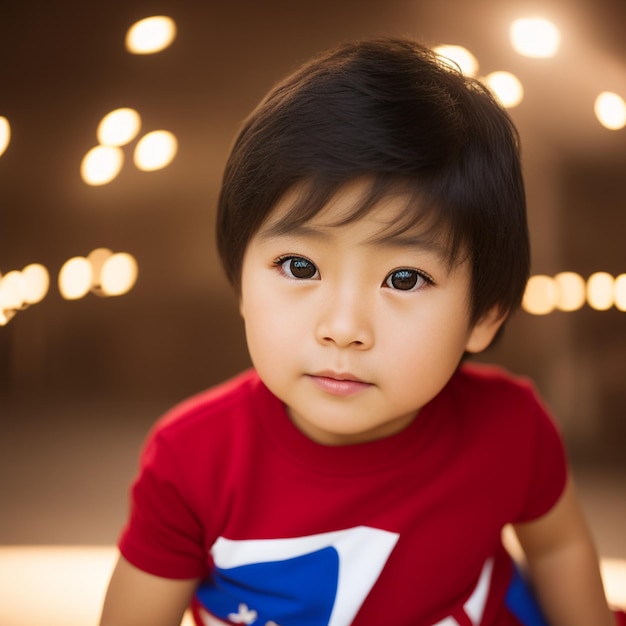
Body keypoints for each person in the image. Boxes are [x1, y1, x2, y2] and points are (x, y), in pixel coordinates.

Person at [99, 38, 625, 626]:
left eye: (404, 278)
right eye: (300, 267)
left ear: (485, 315)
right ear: (241, 282)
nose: (344, 329)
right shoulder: (192, 460)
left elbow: (557, 547)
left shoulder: (510, 429)